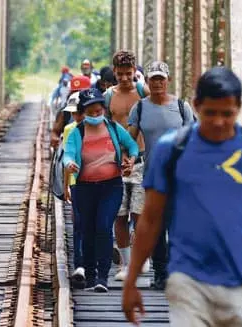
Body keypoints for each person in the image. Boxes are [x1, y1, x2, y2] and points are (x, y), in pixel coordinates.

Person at [122, 67, 242, 326]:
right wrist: (131, 282)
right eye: (210, 113)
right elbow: (151, 219)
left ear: (239, 108)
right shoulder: (172, 150)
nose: (219, 122)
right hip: (189, 282)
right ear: (197, 106)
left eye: (227, 114)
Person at [126, 61, 195, 289]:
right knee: (157, 227)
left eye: (160, 79)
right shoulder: (141, 108)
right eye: (153, 78)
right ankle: (160, 273)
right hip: (153, 178)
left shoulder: (182, 107)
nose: (157, 83)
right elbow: (131, 139)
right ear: (146, 81)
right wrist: (127, 158)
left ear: (168, 80)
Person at [63, 88, 139, 292]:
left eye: (98, 111)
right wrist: (70, 164)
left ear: (103, 110)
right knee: (87, 230)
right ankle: (90, 275)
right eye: (91, 112)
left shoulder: (114, 128)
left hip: (110, 185)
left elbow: (132, 146)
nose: (95, 115)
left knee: (104, 226)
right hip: (84, 188)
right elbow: (67, 154)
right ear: (83, 112)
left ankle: (102, 277)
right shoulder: (77, 132)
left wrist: (131, 161)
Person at [104, 50, 149, 281]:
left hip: (140, 161)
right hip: (116, 163)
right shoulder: (108, 96)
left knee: (139, 214)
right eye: (120, 74)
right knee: (119, 216)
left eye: (128, 74)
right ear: (114, 72)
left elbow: (158, 105)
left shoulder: (141, 91)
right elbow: (102, 125)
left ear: (135, 72)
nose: (124, 78)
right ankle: (125, 264)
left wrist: (143, 84)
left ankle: (142, 258)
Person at [61, 92, 86, 288]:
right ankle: (79, 264)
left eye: (79, 112)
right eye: (74, 113)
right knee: (78, 224)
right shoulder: (69, 130)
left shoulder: (98, 128)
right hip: (76, 183)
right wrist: (65, 186)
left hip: (97, 181)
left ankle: (90, 263)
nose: (77, 116)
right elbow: (65, 160)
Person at [51, 75, 92, 149]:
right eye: (75, 92)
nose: (78, 96)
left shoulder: (96, 110)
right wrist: (55, 139)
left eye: (81, 93)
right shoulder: (65, 112)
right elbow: (55, 132)